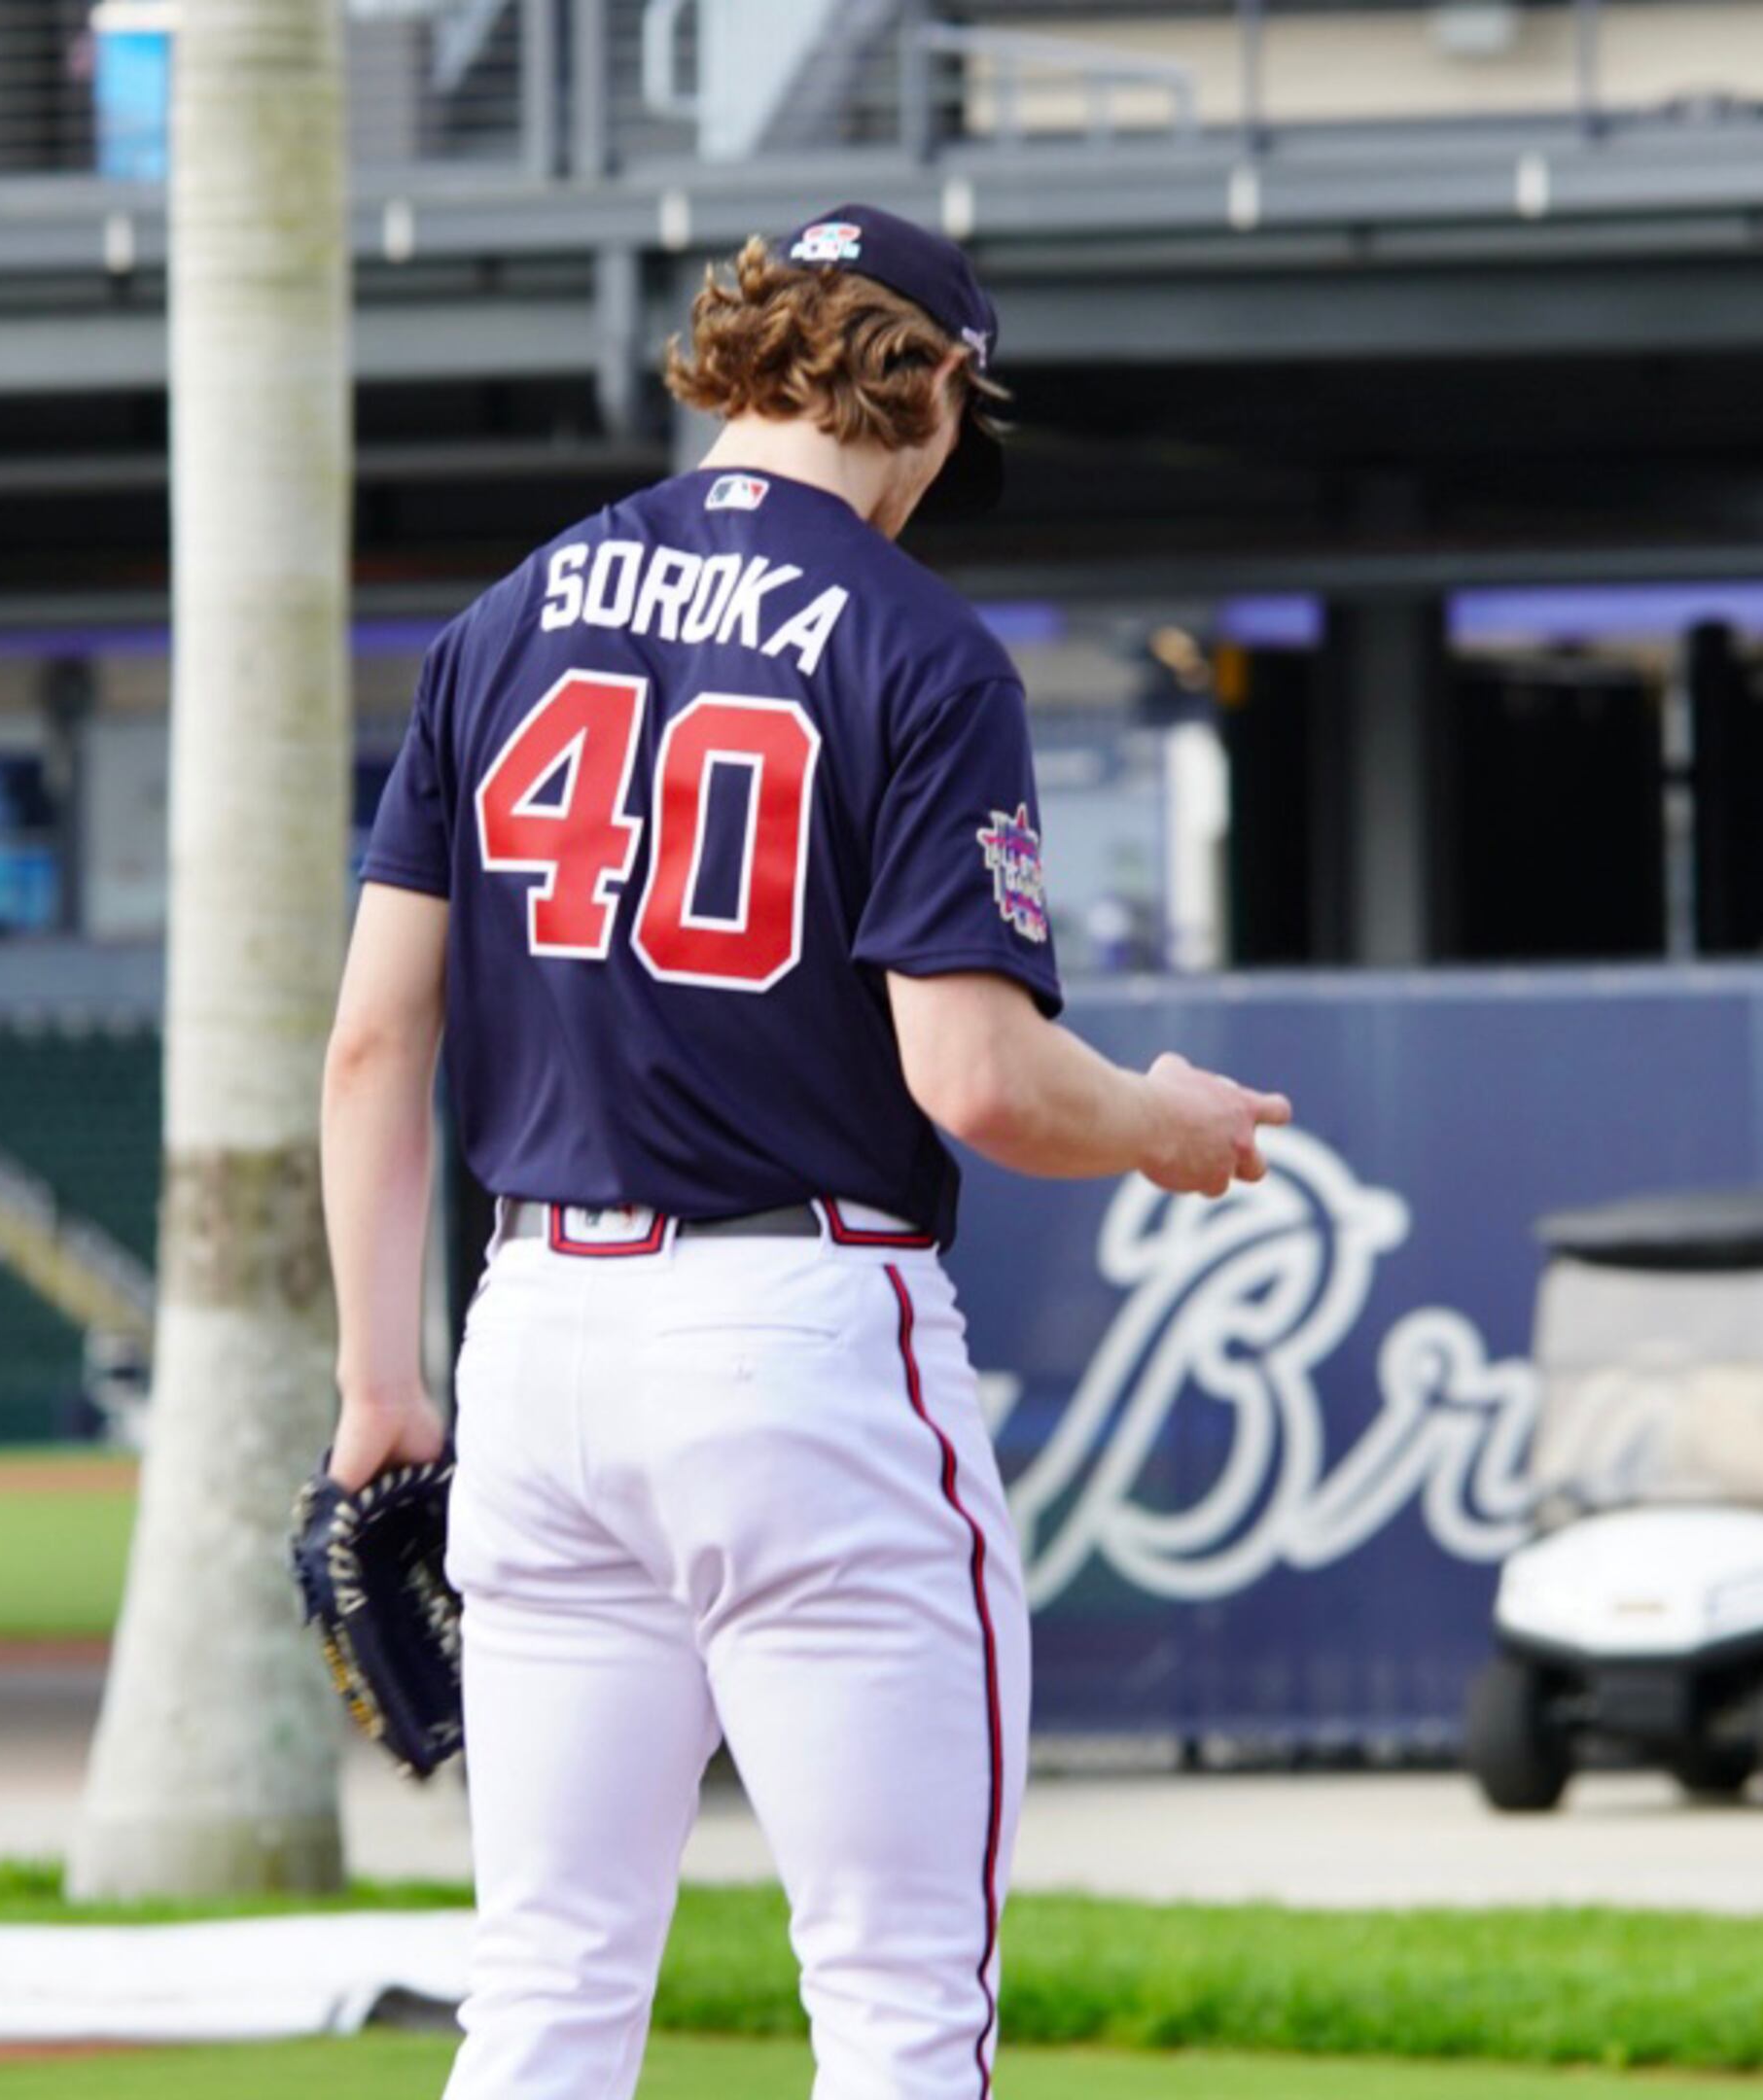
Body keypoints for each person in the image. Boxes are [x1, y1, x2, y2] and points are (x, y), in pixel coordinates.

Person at [318, 202, 1291, 2100]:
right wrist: (1161, 1125)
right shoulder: (917, 649)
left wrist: (379, 1383)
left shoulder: (509, 614)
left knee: (545, 1992)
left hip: (535, 1331)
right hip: (795, 1328)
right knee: (899, 1996)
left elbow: (373, 1035)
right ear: (923, 383)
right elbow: (982, 1082)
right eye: (960, 411)